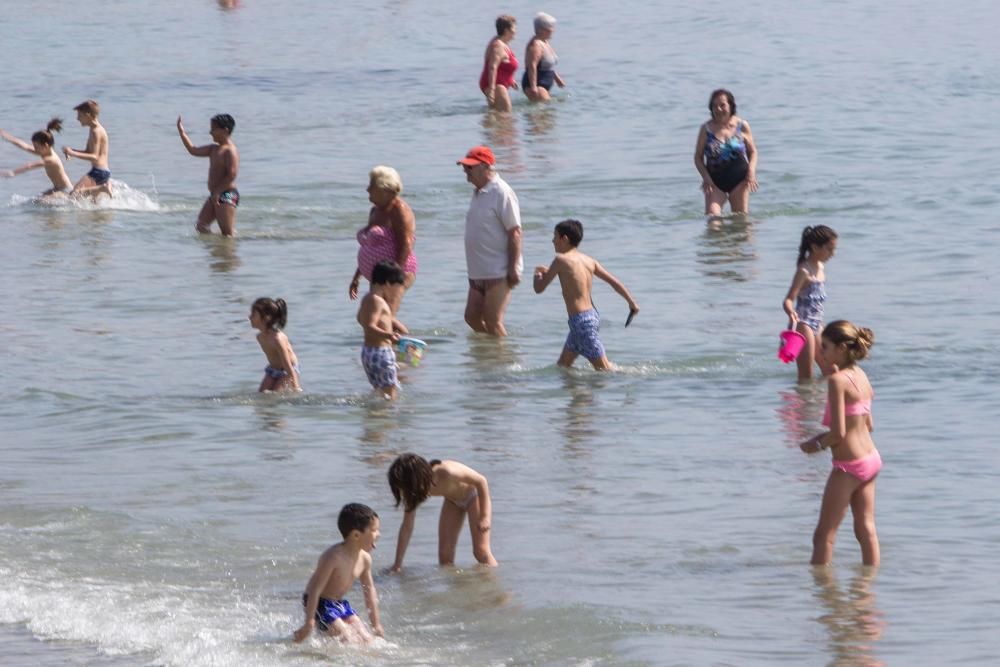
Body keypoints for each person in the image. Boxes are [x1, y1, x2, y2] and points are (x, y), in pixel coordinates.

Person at [799, 321, 879, 567]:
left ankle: (821, 594)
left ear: (842, 348)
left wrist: (816, 444)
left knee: (824, 535)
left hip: (849, 465)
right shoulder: (861, 375)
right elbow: (869, 424)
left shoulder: (837, 380)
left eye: (824, 347)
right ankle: (868, 590)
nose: (819, 353)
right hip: (871, 459)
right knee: (866, 529)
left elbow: (838, 433)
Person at [533, 219, 639, 370]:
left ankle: (632, 385)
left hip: (581, 323)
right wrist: (632, 303)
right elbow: (613, 282)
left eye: (555, 236)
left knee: (606, 371)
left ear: (565, 239)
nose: (552, 241)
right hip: (590, 318)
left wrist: (537, 274)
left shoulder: (560, 260)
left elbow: (539, 288)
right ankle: (579, 393)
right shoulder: (589, 260)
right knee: (563, 367)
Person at [387, 453, 497, 571]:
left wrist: (485, 517)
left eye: (404, 487)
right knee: (445, 556)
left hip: (474, 496)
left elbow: (481, 481)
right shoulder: (414, 491)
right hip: (452, 501)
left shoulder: (446, 471)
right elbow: (407, 526)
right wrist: (397, 564)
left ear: (415, 478)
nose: (403, 492)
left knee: (480, 551)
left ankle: (495, 585)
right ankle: (455, 587)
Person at [293, 503, 384, 644]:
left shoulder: (365, 559)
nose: (378, 534)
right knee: (347, 638)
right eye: (374, 530)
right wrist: (309, 622)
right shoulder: (333, 557)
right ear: (356, 535)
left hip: (338, 604)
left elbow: (369, 591)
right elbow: (315, 590)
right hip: (318, 603)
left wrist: (376, 624)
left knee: (367, 640)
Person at [458, 145, 522, 337]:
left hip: (499, 269)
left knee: (493, 321)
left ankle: (502, 359)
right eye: (465, 168)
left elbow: (515, 232)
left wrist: (512, 268)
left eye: (470, 168)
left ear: (485, 167)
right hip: (478, 270)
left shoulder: (501, 192)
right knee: (472, 317)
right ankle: (490, 356)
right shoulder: (479, 191)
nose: (466, 173)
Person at [349, 166, 417, 334]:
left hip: (396, 273)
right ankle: (393, 345)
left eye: (371, 185)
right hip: (377, 275)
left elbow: (406, 244)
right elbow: (369, 245)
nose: (367, 189)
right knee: (370, 316)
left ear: (384, 189)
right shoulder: (375, 211)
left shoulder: (399, 210)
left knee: (385, 316)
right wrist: (357, 276)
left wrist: (395, 276)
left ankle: (407, 345)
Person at [782, 225, 838, 381]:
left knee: (832, 370)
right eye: (829, 249)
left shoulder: (820, 267)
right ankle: (804, 405)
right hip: (804, 325)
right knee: (806, 377)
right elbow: (788, 299)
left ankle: (822, 401)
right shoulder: (804, 271)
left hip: (817, 324)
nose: (832, 254)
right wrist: (790, 312)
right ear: (814, 247)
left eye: (833, 250)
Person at [694, 89, 758, 217]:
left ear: (730, 106)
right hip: (714, 183)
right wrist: (706, 178)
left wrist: (751, 172)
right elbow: (698, 158)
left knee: (740, 222)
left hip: (740, 180)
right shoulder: (706, 129)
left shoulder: (742, 125)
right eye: (714, 106)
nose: (718, 109)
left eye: (722, 105)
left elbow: (753, 152)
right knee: (713, 220)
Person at [176, 114, 240, 236]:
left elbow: (232, 175)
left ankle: (228, 253)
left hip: (227, 194)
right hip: (214, 195)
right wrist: (182, 132)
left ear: (225, 130)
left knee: (227, 234)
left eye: (213, 129)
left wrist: (218, 193)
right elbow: (193, 150)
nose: (210, 132)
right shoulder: (213, 149)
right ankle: (217, 248)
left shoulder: (230, 150)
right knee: (201, 226)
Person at [358, 261, 405, 399]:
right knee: (390, 396)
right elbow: (370, 326)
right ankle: (387, 420)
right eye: (397, 286)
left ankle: (376, 418)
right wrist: (389, 335)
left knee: (381, 394)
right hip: (381, 353)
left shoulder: (367, 298)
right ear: (388, 283)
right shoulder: (377, 301)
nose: (397, 291)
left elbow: (361, 319)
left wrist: (390, 321)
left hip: (368, 352)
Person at [0, 119, 73, 198]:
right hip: (56, 188)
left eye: (36, 146)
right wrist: (5, 135)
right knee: (36, 200)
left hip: (65, 190)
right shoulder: (44, 151)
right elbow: (25, 146)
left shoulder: (51, 159)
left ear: (46, 145)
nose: (34, 149)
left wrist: (12, 173)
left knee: (39, 202)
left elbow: (30, 165)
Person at [249, 297, 301, 392]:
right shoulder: (260, 337)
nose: (249, 317)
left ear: (266, 318)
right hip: (272, 370)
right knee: (262, 395)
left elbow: (288, 366)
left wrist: (296, 387)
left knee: (275, 395)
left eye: (253, 314)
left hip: (287, 370)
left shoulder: (278, 339)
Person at [63, 100, 112, 198]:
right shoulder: (93, 129)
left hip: (99, 172)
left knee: (74, 195)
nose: (77, 119)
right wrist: (72, 151)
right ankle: (102, 189)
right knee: (93, 204)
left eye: (79, 115)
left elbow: (94, 156)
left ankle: (102, 188)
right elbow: (88, 152)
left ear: (88, 115)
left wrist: (72, 153)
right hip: (102, 172)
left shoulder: (96, 131)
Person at [521, 12, 565, 102]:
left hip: (543, 83)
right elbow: (532, 66)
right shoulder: (536, 45)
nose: (553, 30)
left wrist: (556, 78)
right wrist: (533, 87)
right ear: (541, 29)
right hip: (537, 84)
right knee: (541, 114)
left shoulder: (544, 42)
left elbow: (547, 64)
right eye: (550, 27)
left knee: (547, 113)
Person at [479, 15, 519, 112]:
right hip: (495, 85)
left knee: (497, 116)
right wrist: (492, 90)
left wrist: (510, 79)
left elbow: (503, 63)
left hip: (499, 83)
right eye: (514, 28)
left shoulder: (503, 42)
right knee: (506, 116)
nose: (516, 31)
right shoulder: (497, 46)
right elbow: (492, 67)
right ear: (506, 30)